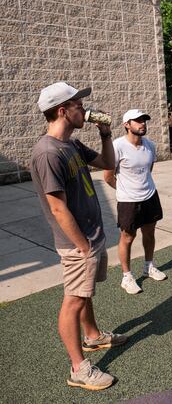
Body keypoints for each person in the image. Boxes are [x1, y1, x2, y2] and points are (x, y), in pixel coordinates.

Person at [30, 82, 127, 390]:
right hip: (77, 244)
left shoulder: (70, 145)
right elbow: (58, 209)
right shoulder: (47, 153)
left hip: (90, 236)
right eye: (77, 105)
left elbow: (108, 164)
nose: (83, 109)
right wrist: (83, 247)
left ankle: (94, 336)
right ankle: (78, 369)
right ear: (62, 111)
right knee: (73, 300)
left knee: (84, 294)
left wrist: (106, 133)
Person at [103, 109, 167, 295]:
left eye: (144, 121)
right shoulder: (117, 146)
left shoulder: (150, 145)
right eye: (137, 121)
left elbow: (148, 170)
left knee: (149, 232)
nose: (142, 124)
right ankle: (126, 276)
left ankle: (149, 266)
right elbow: (108, 176)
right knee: (128, 238)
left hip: (150, 196)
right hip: (128, 201)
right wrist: (125, 190)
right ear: (126, 125)